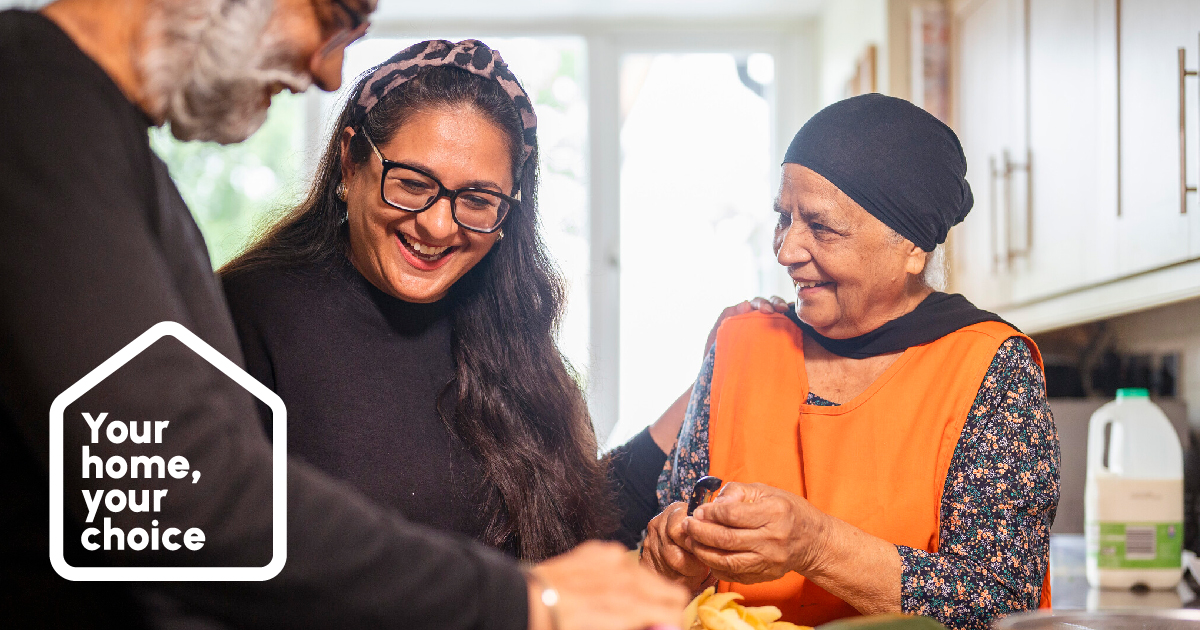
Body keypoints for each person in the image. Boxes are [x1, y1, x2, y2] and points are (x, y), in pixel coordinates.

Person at [0, 1, 686, 629]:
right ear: (352, 165)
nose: (329, 73)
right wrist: (522, 600)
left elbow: (569, 517)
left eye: (478, 200)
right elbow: (170, 488)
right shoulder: (31, 95)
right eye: (332, 13)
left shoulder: (112, 147)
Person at [639, 94, 1060, 630]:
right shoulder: (740, 345)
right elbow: (664, 555)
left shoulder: (988, 367)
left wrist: (814, 544)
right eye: (783, 218)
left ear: (912, 248)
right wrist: (670, 561)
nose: (786, 250)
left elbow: (1002, 605)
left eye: (820, 226)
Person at [218, 38, 613, 561]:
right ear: (350, 164)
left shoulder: (514, 338)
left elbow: (581, 519)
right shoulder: (245, 312)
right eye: (410, 183)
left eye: (477, 200)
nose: (437, 224)